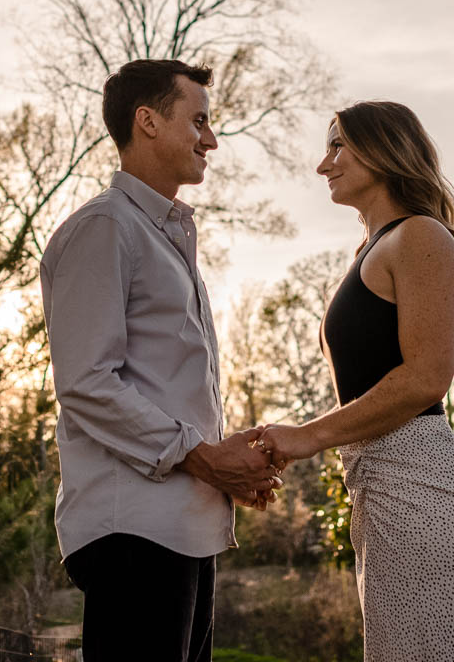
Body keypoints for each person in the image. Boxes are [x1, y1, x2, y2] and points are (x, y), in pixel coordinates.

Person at [40, 58, 281, 662]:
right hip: (133, 533)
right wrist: (205, 459)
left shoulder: (167, 236)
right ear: (147, 121)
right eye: (198, 120)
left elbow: (166, 385)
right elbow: (87, 383)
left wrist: (226, 466)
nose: (212, 138)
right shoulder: (104, 229)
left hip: (184, 530)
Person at [258, 100, 454, 662]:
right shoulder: (373, 249)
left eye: (337, 146)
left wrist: (309, 435)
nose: (322, 164)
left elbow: (425, 379)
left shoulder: (420, 236)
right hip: (380, 490)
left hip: (424, 492)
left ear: (383, 149)